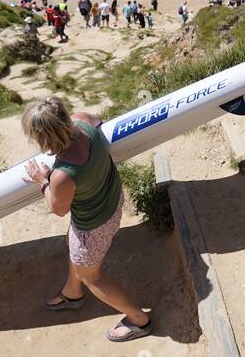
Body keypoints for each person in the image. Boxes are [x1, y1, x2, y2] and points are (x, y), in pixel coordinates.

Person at [19, 97, 152, 342]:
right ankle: (72, 292)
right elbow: (97, 120)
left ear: (42, 138)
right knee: (73, 243)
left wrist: (43, 181)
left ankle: (138, 320)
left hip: (95, 225)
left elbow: (58, 208)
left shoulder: (62, 175)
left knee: (91, 276)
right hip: (112, 197)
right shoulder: (83, 123)